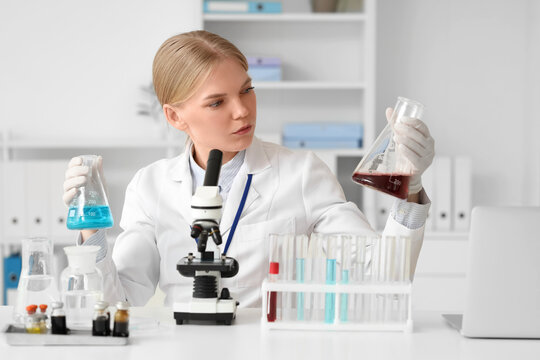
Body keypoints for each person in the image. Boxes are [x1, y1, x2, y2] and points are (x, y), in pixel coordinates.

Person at [63, 30, 435, 307]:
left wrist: (410, 187)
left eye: (246, 90)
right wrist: (91, 231)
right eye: (216, 102)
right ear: (175, 116)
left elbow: (387, 276)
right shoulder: (151, 185)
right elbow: (119, 299)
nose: (242, 110)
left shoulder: (300, 173)